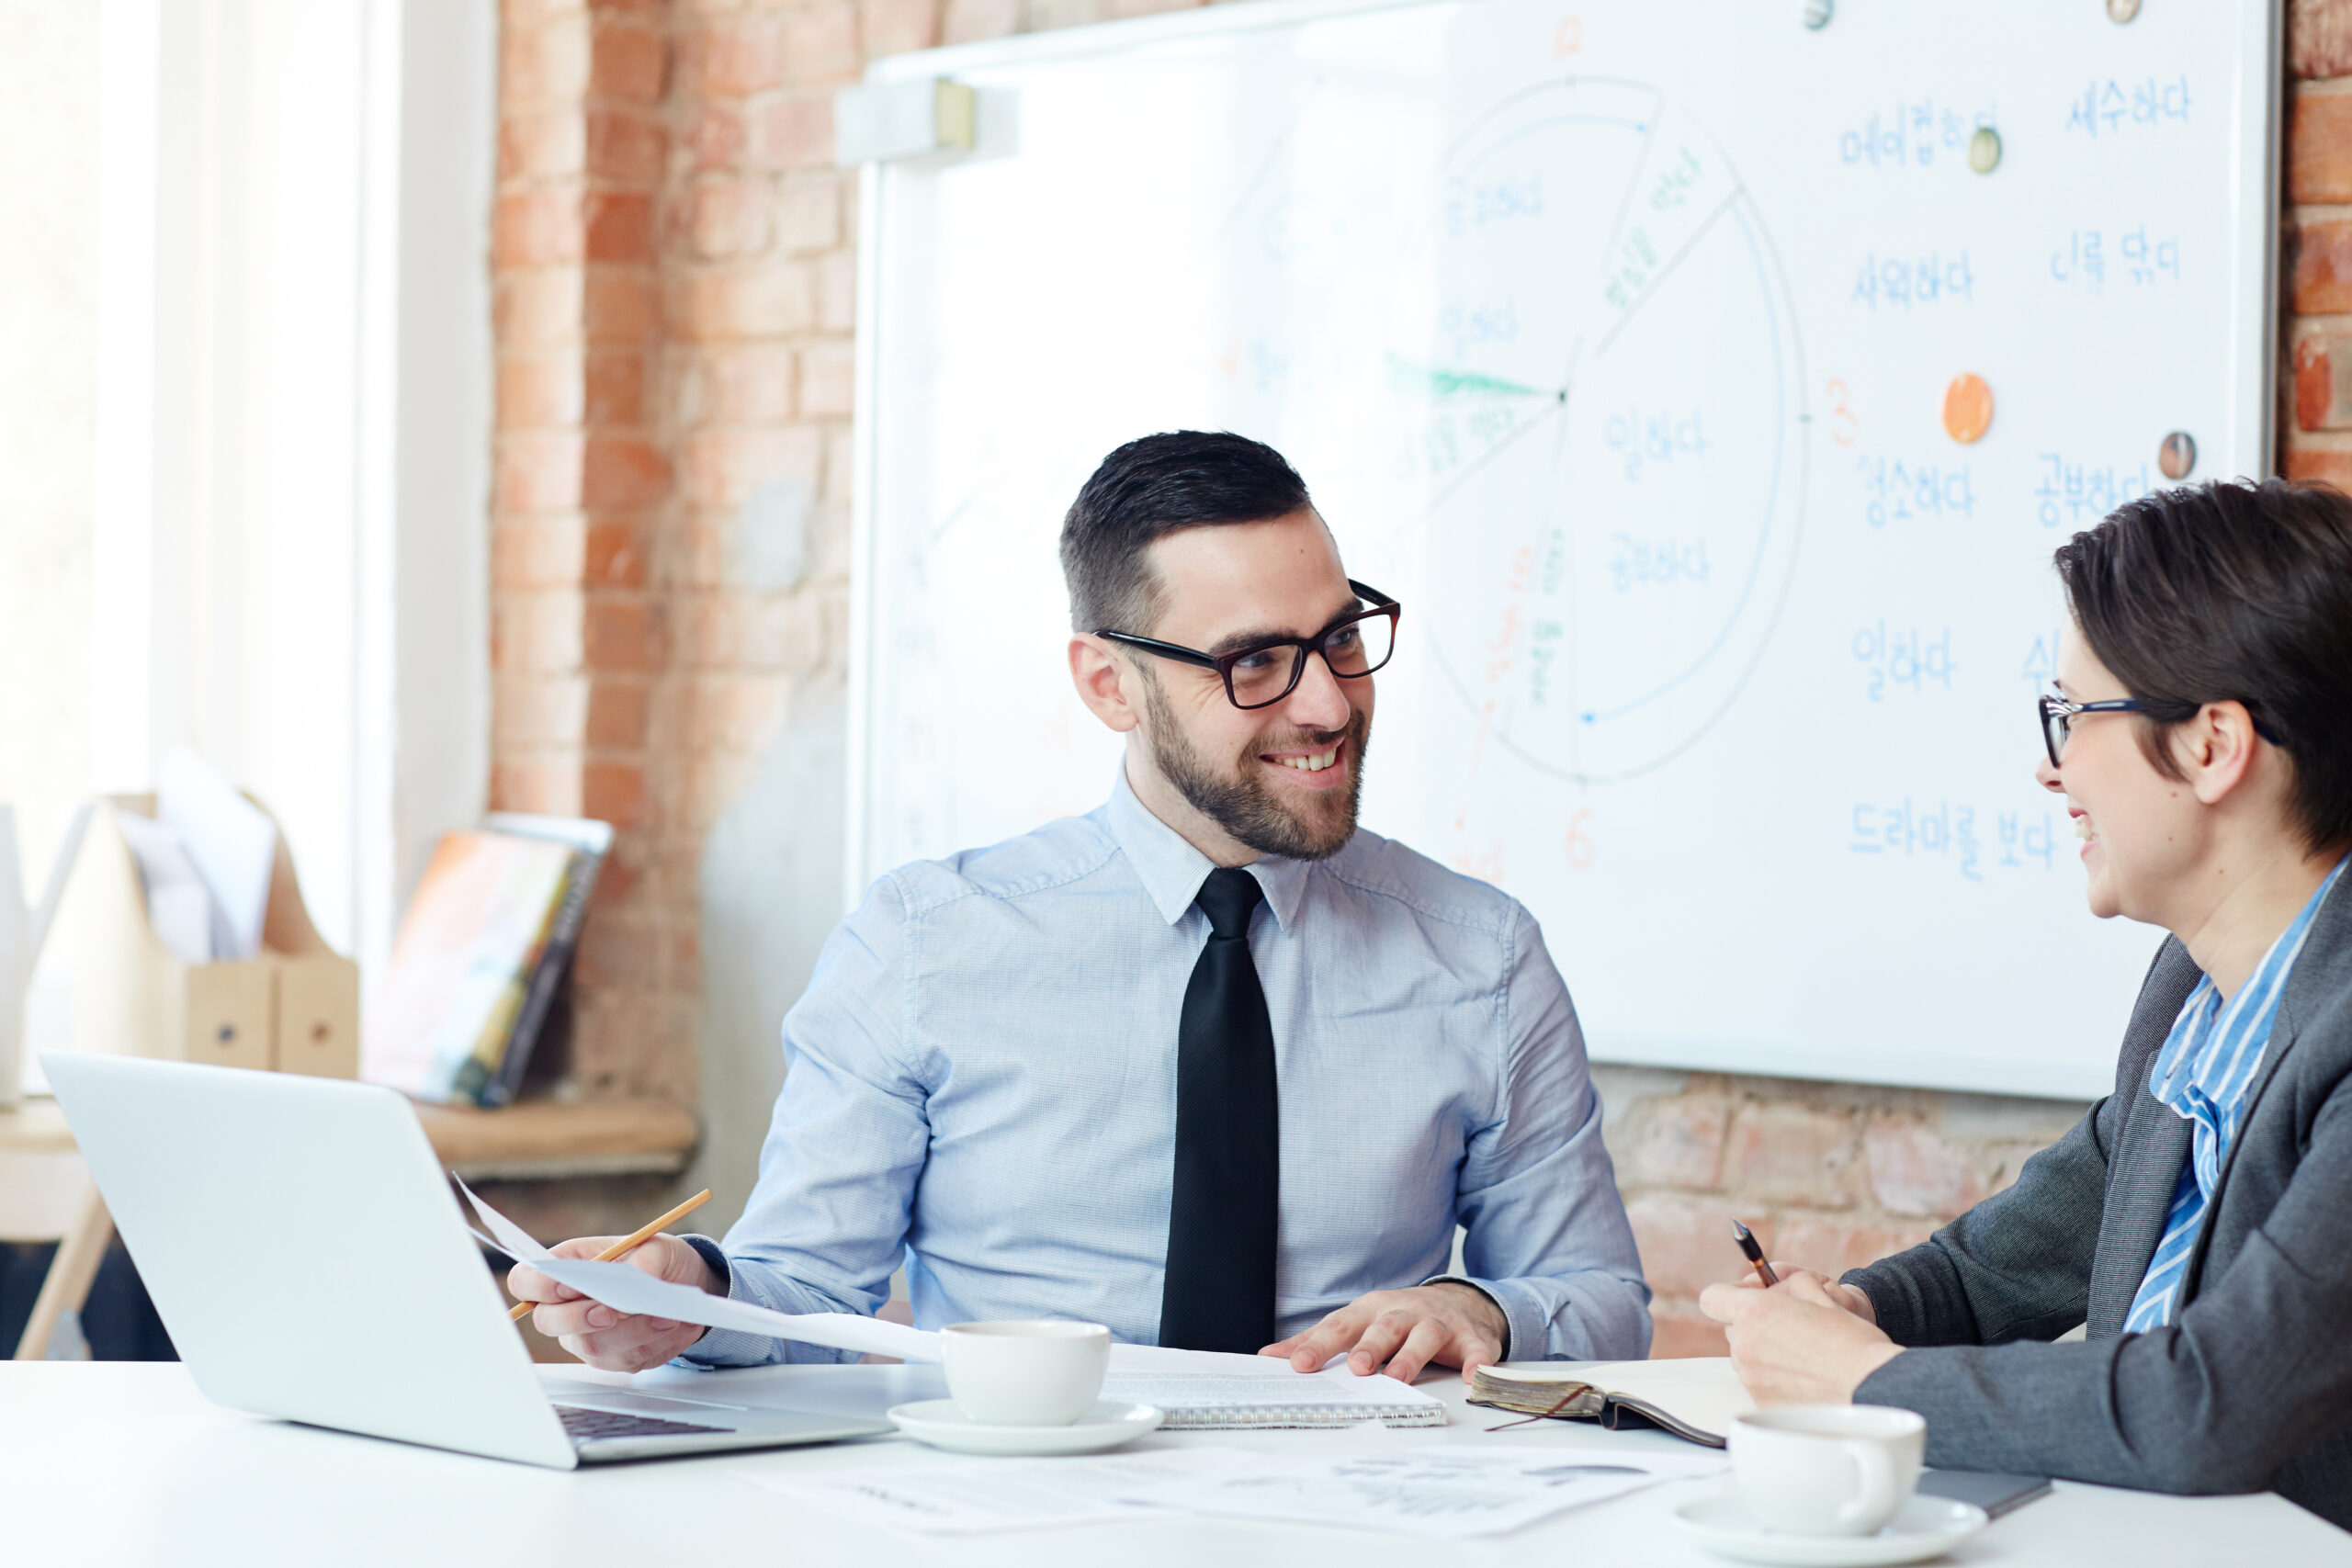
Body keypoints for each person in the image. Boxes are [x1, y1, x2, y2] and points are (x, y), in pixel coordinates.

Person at [512, 431, 1649, 1382]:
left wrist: (1484, 1311)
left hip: (1357, 1513)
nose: (1326, 702)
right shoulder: (927, 942)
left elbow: (1598, 1298)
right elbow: (805, 1288)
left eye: (1340, 637)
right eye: (1254, 661)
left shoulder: (1479, 956)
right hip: (1018, 1512)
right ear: (1109, 684)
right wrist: (689, 1297)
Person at [1701, 478, 2352, 1527]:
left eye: (2073, 716)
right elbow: (2001, 1265)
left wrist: (1860, 1382)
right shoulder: (2195, 995)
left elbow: (2207, 1407)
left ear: (2212, 745)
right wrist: (1856, 1311)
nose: (2048, 771)